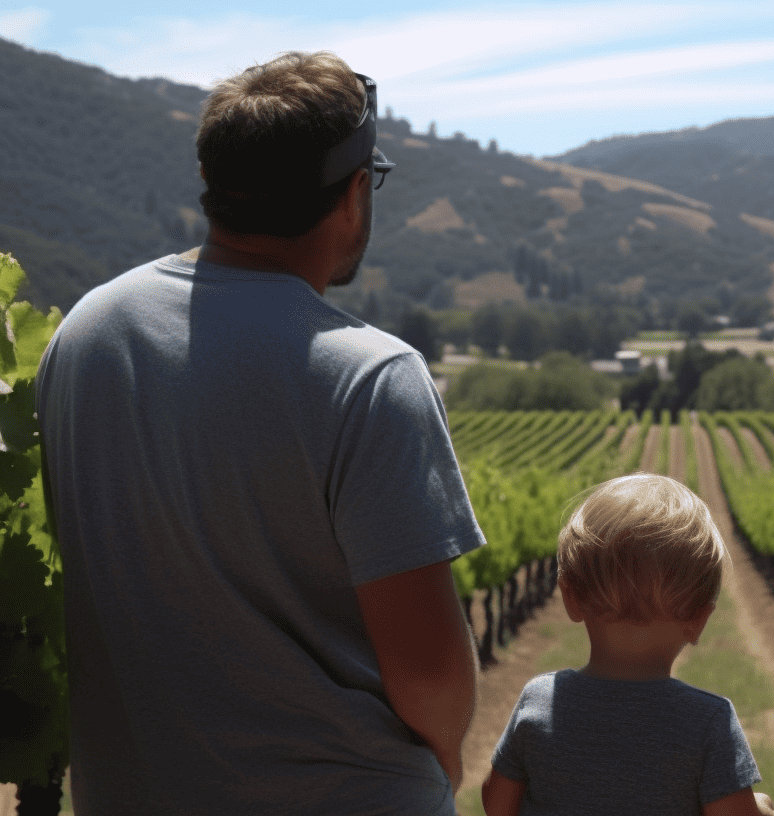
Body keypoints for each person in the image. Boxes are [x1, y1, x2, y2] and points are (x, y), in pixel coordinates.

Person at [35, 51, 484, 816]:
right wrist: (445, 755)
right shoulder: (369, 375)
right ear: (351, 194)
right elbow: (432, 677)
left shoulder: (86, 333)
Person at [481, 473, 774, 816]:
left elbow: (497, 803)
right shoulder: (708, 723)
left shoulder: (539, 702)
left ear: (570, 598)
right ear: (699, 620)